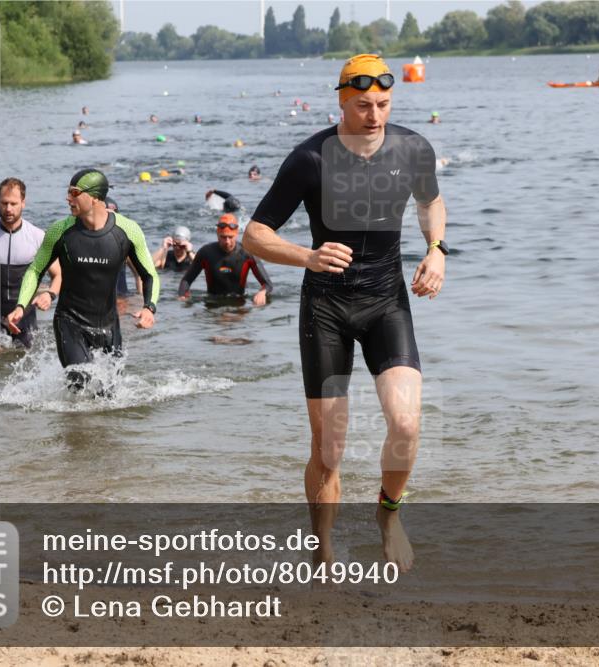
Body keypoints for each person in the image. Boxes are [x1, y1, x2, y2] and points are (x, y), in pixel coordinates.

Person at [242, 53, 447, 572]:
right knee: (329, 449)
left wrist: (436, 248)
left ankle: (389, 515)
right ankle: (324, 551)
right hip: (326, 308)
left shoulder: (412, 149)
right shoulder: (311, 159)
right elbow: (254, 235)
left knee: (405, 425)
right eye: (362, 106)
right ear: (341, 100)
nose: (374, 116)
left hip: (387, 301)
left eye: (382, 104)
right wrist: (307, 256)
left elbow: (431, 202)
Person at [5, 169, 160, 393]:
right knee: (80, 383)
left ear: (95, 197)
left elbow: (149, 274)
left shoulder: (127, 230)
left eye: (74, 193)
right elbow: (35, 269)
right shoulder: (60, 231)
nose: (68, 198)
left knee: (109, 394)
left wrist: (149, 308)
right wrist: (21, 305)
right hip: (70, 322)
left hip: (108, 325)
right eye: (68, 192)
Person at [0, 178, 61, 354]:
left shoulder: (38, 236)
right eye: (4, 203)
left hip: (24, 311)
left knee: (25, 358)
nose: (8, 209)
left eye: (13, 203)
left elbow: (58, 274)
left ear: (23, 203)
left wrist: (50, 294)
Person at [178, 214, 272, 306]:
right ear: (217, 234)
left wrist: (262, 292)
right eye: (223, 237)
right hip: (212, 303)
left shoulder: (248, 253)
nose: (227, 241)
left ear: (236, 234)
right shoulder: (206, 253)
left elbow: (267, 284)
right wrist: (182, 296)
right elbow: (186, 280)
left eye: (230, 237)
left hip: (238, 303)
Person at [106, 197, 143, 299]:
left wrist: (141, 300)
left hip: (122, 299)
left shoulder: (124, 242)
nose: (112, 219)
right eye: (108, 215)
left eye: (115, 215)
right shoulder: (89, 241)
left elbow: (140, 274)